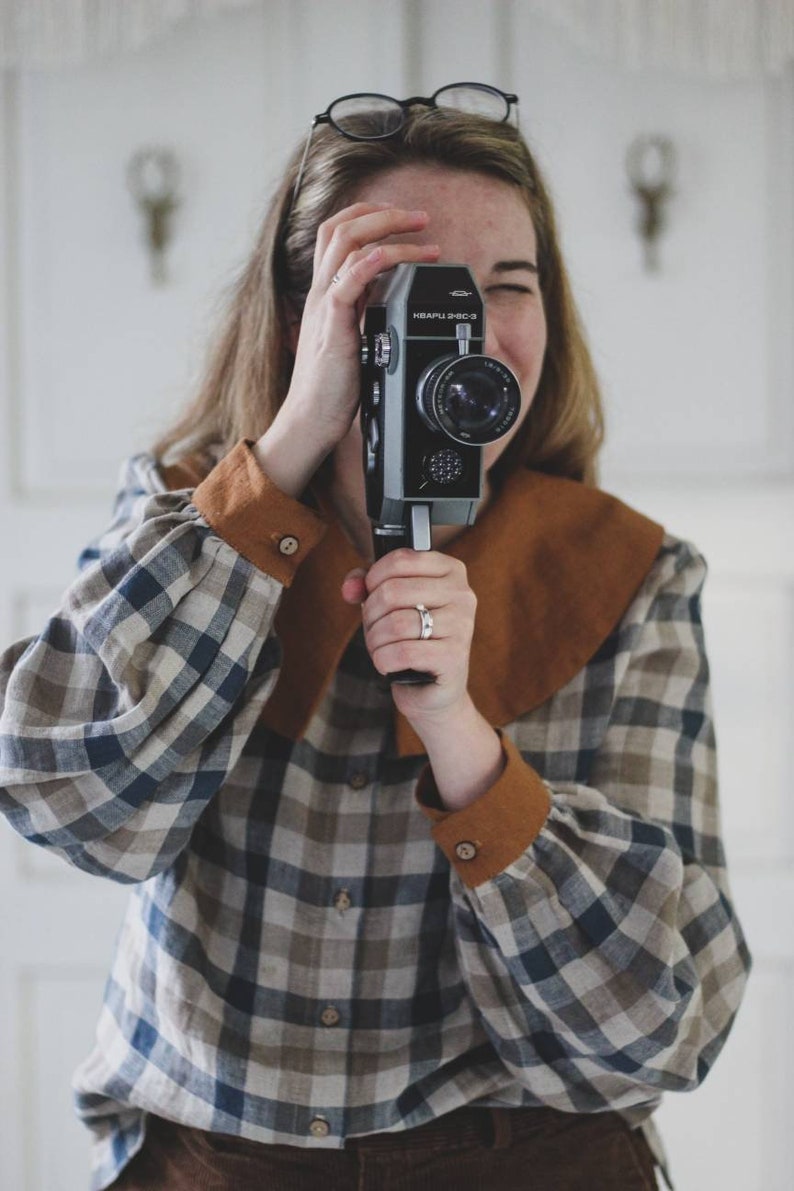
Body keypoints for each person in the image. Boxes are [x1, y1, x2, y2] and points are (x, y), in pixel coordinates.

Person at [0, 83, 750, 1191]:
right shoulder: (191, 517)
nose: (478, 339)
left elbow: (659, 1030)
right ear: (309, 314)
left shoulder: (620, 574)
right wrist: (292, 442)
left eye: (511, 287)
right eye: (414, 294)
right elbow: (75, 811)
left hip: (523, 1163)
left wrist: (462, 738)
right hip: (212, 1157)